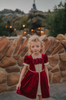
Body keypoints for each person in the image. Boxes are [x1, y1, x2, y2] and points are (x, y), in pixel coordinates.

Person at [16, 34, 50, 100]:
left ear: (41, 47)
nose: (35, 48)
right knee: (33, 97)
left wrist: (48, 82)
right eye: (33, 46)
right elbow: (24, 69)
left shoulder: (44, 57)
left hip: (42, 78)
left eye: (37, 46)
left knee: (41, 96)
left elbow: (46, 69)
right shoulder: (28, 58)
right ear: (30, 48)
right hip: (32, 79)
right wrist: (19, 82)